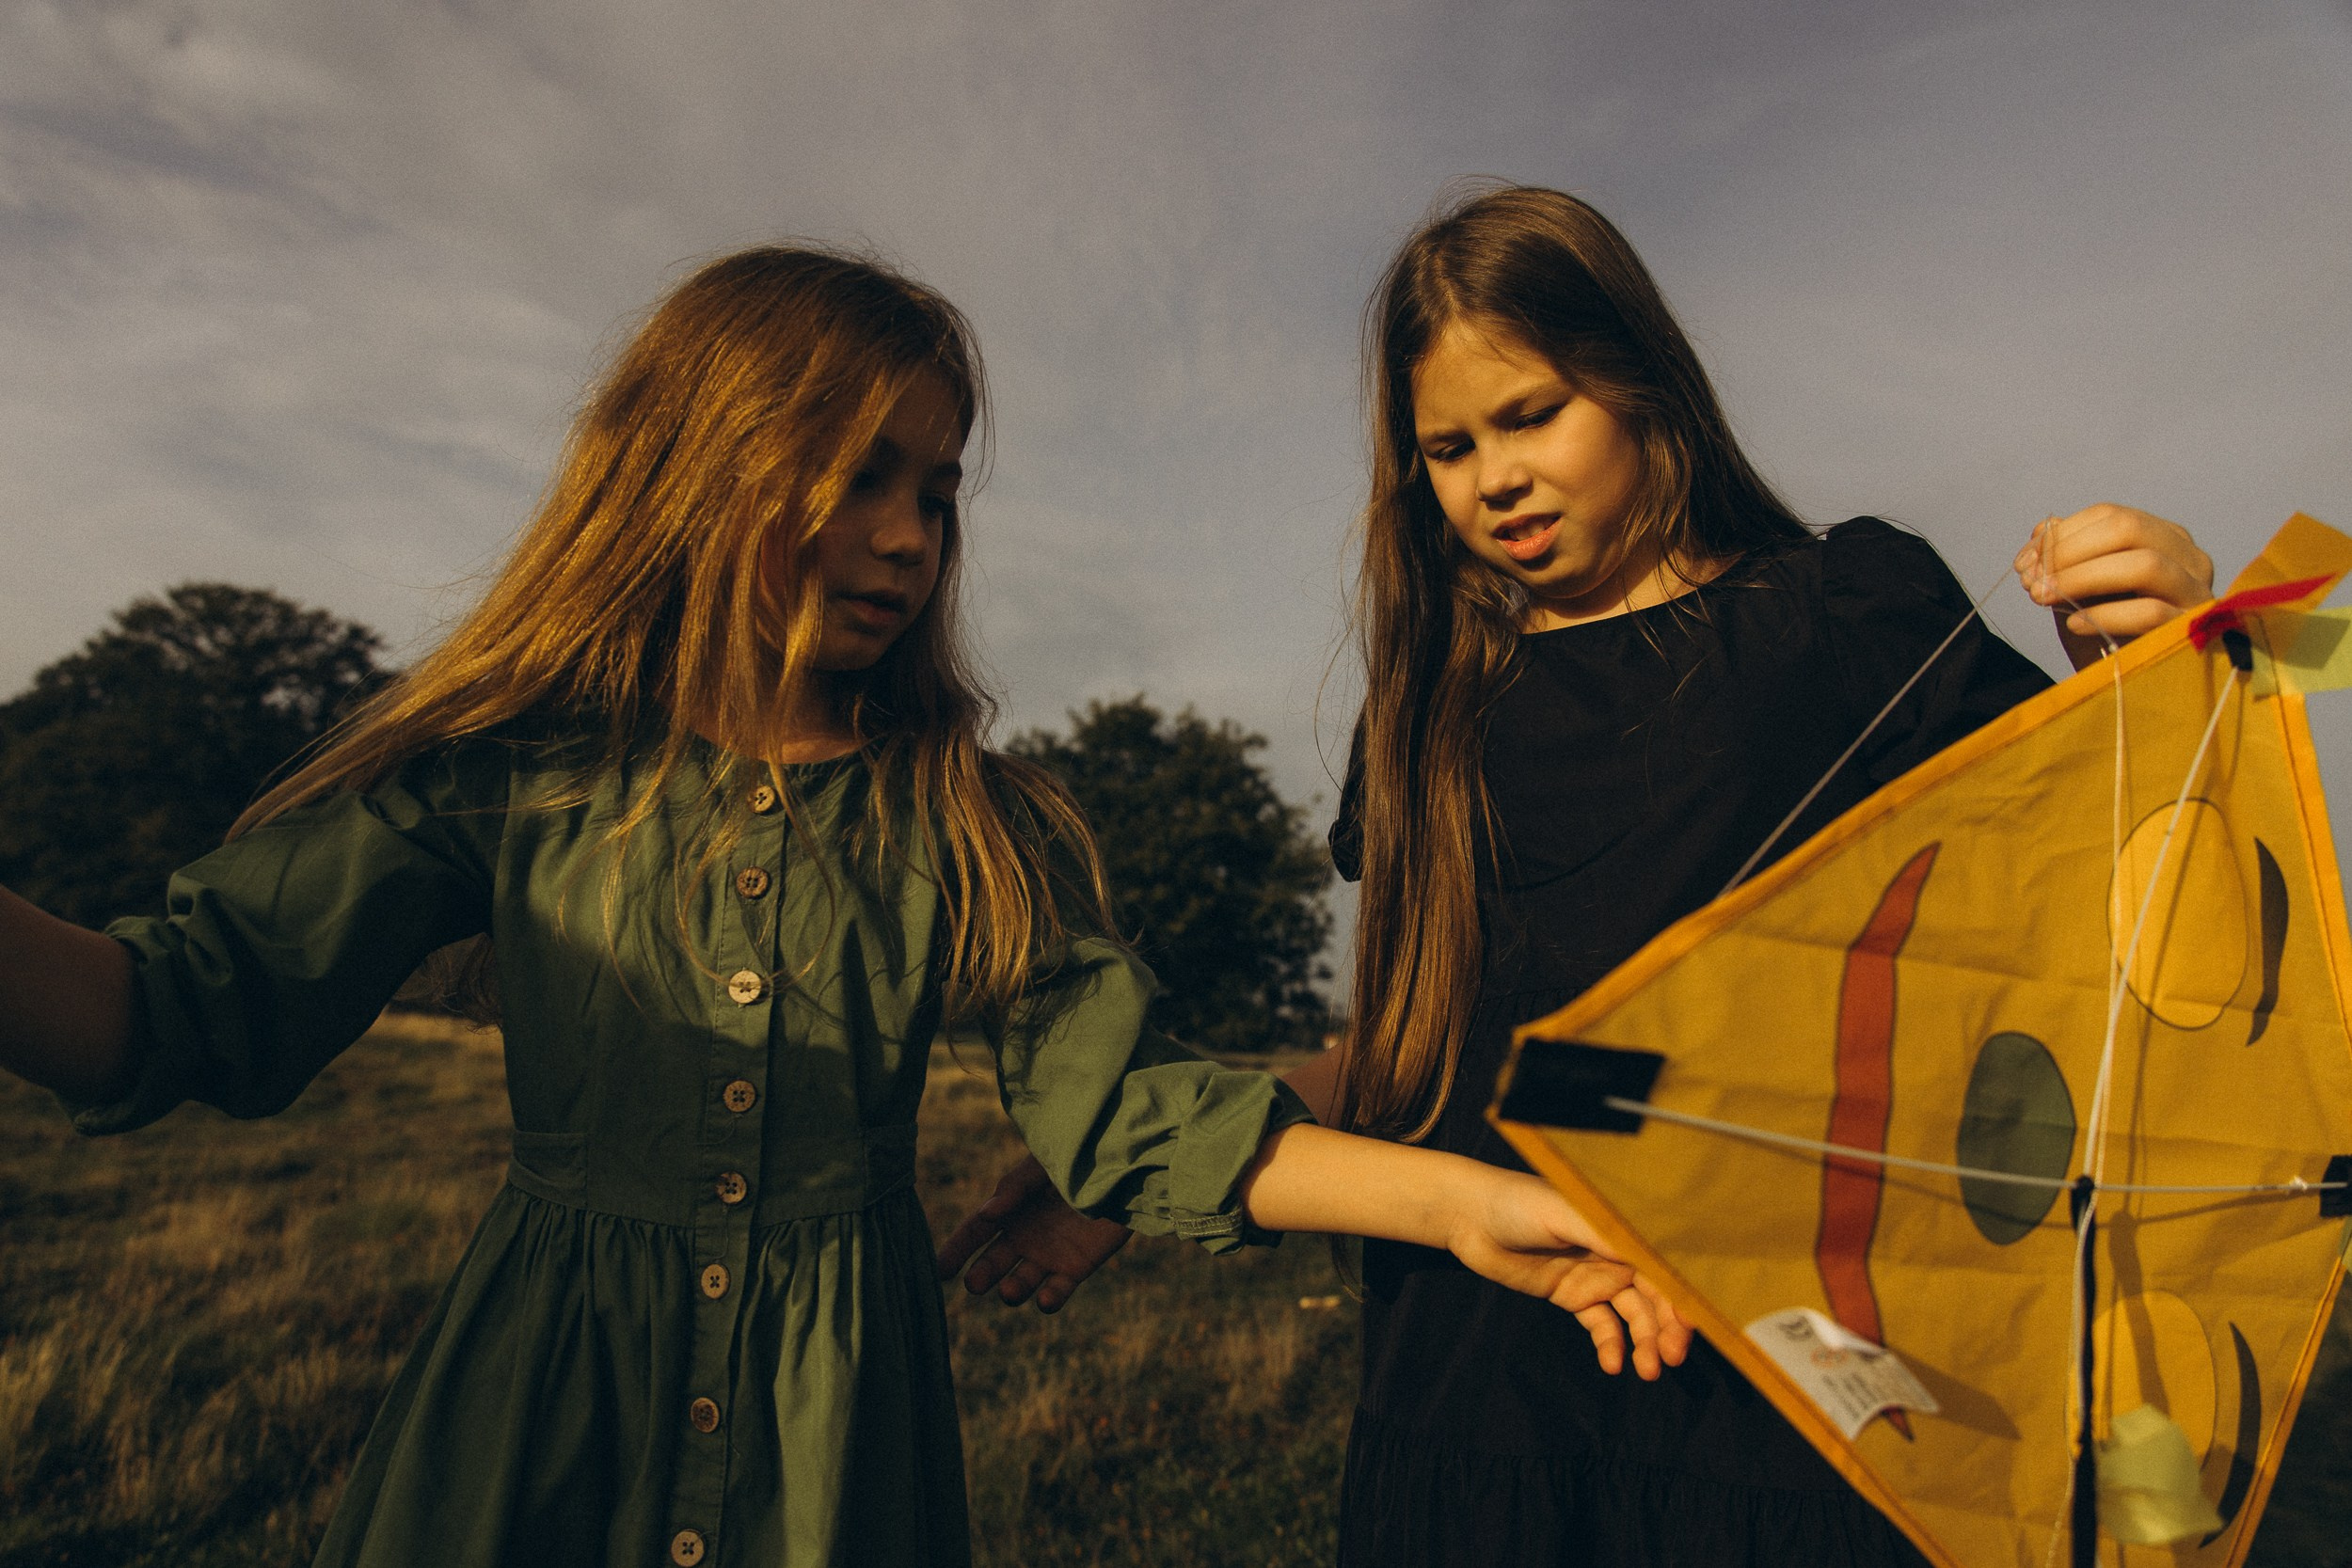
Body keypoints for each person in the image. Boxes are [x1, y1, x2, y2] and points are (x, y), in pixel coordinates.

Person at [0, 245, 1684, 1568]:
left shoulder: (977, 822)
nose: (905, 540)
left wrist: (1456, 1206)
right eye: (858, 476)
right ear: (687, 471)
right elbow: (170, 1014)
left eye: (938, 491)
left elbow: (1135, 1121)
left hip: (835, 1461)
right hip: (533, 1429)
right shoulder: (510, 772)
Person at [935, 186, 2217, 1565]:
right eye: (1447, 446)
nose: (1494, 477)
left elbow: (2104, 912)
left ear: (1644, 384)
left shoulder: (1848, 617)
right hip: (1474, 1394)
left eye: (1532, 414)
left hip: (1789, 1397)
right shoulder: (1429, 716)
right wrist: (1145, 1161)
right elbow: (1419, 1055)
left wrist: (2164, 659)